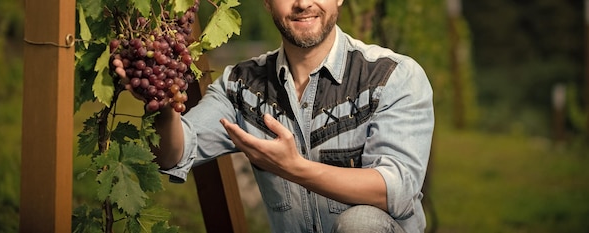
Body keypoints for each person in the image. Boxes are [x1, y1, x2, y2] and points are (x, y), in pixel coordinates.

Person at [127, 0, 434, 232]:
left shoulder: (391, 76)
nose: (302, 4)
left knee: (361, 223)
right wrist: (162, 103)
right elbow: (173, 155)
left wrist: (294, 168)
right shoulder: (243, 85)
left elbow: (397, 190)